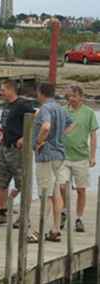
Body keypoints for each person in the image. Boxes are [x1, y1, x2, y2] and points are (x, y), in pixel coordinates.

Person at [0, 80, 35, 226]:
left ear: (11, 90)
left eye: (3, 90)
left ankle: (24, 216)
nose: (1, 93)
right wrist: (0, 136)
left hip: (18, 150)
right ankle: (1, 212)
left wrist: (25, 137)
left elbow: (36, 117)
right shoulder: (7, 106)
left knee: (23, 182)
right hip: (4, 147)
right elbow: (4, 124)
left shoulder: (23, 105)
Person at [33, 83, 73, 242]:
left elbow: (46, 126)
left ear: (41, 93)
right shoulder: (61, 108)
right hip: (59, 154)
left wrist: (39, 142)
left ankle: (37, 231)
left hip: (46, 156)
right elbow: (71, 123)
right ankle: (55, 229)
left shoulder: (45, 108)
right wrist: (59, 138)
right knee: (56, 192)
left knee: (45, 193)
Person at [60, 85, 98, 232]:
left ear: (81, 97)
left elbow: (93, 136)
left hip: (81, 157)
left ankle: (79, 218)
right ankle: (63, 211)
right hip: (63, 156)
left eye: (74, 96)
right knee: (62, 186)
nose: (71, 99)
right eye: (69, 96)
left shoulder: (89, 113)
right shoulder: (63, 111)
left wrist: (93, 156)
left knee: (81, 190)